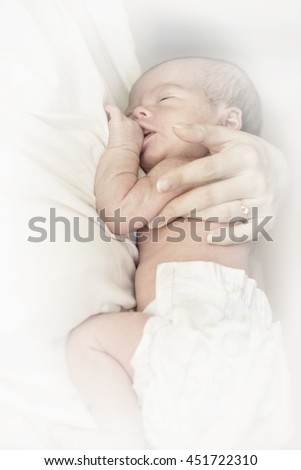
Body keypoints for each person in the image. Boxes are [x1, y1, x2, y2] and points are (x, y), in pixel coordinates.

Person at [67, 58, 292, 449]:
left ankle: (122, 442)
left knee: (88, 342)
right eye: (134, 106)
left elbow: (120, 214)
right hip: (253, 352)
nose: (138, 111)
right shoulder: (247, 196)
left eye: (165, 98)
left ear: (228, 122)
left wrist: (122, 144)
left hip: (191, 326)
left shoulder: (183, 169)